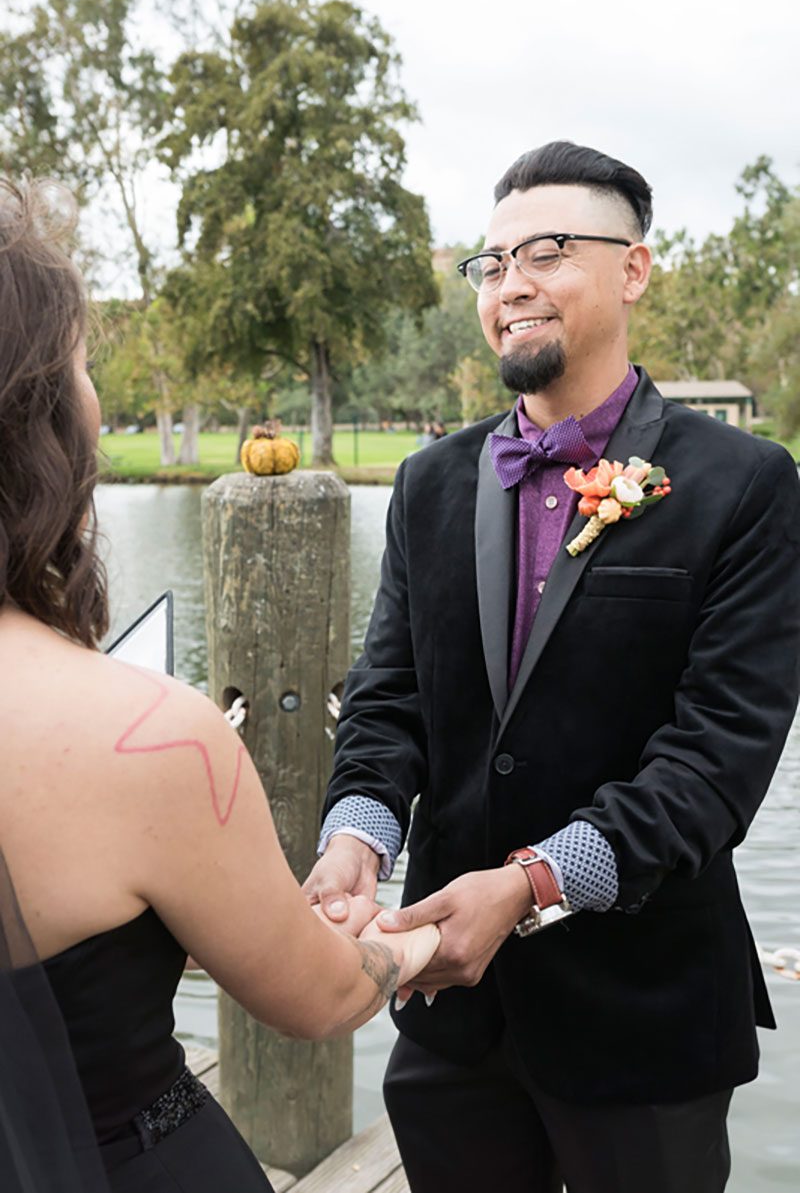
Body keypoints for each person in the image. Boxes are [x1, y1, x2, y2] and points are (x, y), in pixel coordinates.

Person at [303, 140, 800, 1193]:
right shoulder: (428, 481)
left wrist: (530, 883)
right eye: (489, 263)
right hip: (447, 1017)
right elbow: (388, 704)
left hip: (644, 1018)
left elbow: (712, 763)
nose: (510, 285)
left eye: (546, 251)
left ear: (631, 268)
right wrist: (356, 834)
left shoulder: (746, 485)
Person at [0, 178, 439, 1190]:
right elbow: (318, 997)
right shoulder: (151, 737)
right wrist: (395, 942)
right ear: (38, 426)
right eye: (79, 366)